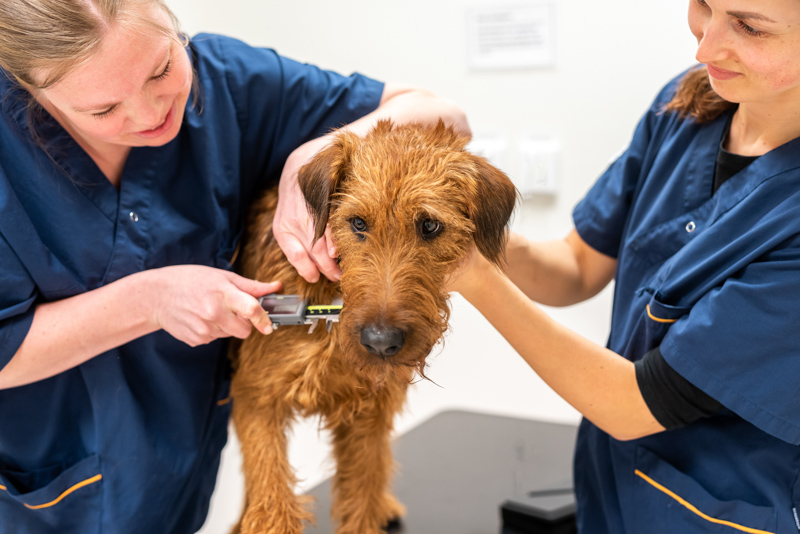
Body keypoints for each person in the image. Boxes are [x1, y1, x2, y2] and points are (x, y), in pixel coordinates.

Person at [0, 1, 467, 532]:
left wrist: (310, 157)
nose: (151, 113)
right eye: (104, 110)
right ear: (25, 86)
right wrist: (149, 300)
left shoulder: (228, 83)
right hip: (30, 499)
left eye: (162, 70)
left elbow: (443, 113)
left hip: (174, 484)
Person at [448, 0, 800, 532]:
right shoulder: (688, 105)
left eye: (749, 26)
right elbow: (575, 265)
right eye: (704, 5)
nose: (705, 46)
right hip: (611, 491)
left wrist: (473, 275)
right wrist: (469, 234)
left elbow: (631, 403)